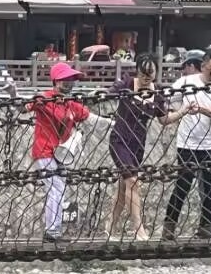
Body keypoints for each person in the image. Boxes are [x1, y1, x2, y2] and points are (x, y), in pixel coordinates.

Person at [105, 53, 195, 241]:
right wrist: (100, 95)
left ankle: (110, 227)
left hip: (138, 144)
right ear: (137, 71)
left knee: (124, 187)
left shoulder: (157, 93)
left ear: (156, 72)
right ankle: (139, 229)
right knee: (133, 182)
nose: (146, 78)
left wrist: (184, 111)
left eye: (150, 73)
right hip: (120, 139)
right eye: (143, 73)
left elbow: (164, 119)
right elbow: (110, 92)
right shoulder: (127, 84)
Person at [21, 62, 113, 242]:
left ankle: (54, 230)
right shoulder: (45, 99)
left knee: (60, 190)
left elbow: (91, 119)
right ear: (56, 81)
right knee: (56, 189)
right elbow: (23, 107)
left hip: (61, 154)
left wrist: (113, 124)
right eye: (65, 79)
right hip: (44, 150)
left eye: (71, 79)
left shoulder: (70, 104)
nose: (70, 83)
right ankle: (52, 231)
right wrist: (14, 94)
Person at [162, 50, 211, 240]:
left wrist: (198, 108)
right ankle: (169, 227)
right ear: (203, 66)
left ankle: (205, 228)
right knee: (182, 185)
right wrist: (180, 110)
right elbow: (168, 99)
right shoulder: (186, 82)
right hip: (187, 143)